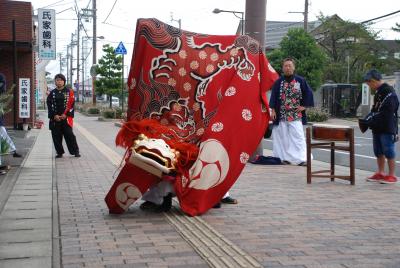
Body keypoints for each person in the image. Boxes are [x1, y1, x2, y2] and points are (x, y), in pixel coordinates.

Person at [269, 57, 314, 166]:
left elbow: (308, 93)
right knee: (283, 138)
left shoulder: (300, 80)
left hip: (296, 114)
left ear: (293, 68)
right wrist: (273, 110)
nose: (287, 68)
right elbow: (274, 96)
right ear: (282, 68)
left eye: (290, 65)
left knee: (298, 137)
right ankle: (284, 158)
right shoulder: (278, 82)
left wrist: (304, 106)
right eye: (285, 66)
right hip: (282, 114)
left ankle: (302, 159)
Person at [363, 69, 399, 184]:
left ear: (374, 80)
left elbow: (388, 111)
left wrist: (372, 118)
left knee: (389, 150)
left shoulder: (389, 92)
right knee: (378, 151)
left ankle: (392, 175)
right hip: (377, 126)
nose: (369, 85)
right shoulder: (378, 92)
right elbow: (375, 108)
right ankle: (381, 172)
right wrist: (367, 119)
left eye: (369, 83)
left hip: (387, 126)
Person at [47, 74, 80, 158]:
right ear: (55, 81)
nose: (59, 82)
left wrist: (66, 114)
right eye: (57, 80)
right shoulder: (52, 93)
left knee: (69, 135)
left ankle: (75, 151)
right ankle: (59, 152)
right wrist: (54, 115)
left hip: (66, 118)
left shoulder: (69, 92)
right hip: (55, 118)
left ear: (64, 81)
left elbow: (72, 105)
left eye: (61, 80)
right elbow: (49, 105)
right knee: (56, 135)